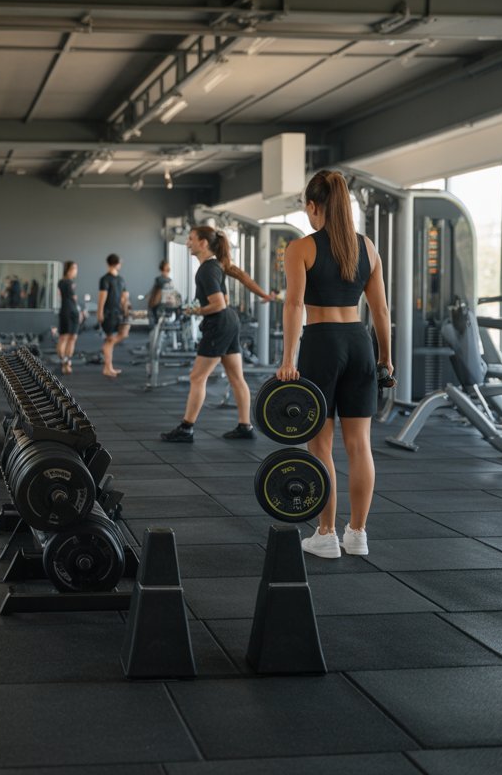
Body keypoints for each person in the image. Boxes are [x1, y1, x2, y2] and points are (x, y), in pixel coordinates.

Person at [279, 170, 392, 559]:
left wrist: (287, 360)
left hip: (321, 344)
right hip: (360, 344)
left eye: (306, 208)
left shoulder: (301, 248)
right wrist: (385, 358)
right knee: (360, 445)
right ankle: (357, 534)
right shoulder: (367, 248)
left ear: (313, 206)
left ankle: (326, 534)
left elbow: (294, 305)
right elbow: (380, 310)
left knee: (320, 445)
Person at [161, 226, 272, 442]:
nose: (187, 243)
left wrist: (196, 311)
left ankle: (186, 428)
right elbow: (226, 299)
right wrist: (264, 295)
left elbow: (219, 304)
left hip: (219, 324)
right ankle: (245, 426)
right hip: (229, 322)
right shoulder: (216, 266)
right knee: (236, 377)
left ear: (203, 243)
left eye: (191, 239)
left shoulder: (207, 270)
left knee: (197, 377)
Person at [98, 254, 130, 377]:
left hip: (118, 313)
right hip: (108, 313)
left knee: (123, 334)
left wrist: (126, 310)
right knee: (110, 339)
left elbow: (124, 297)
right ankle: (108, 368)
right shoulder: (105, 279)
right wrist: (100, 312)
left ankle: (108, 360)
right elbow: (102, 297)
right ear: (117, 263)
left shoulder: (121, 279)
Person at [56, 261, 83, 373]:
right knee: (64, 337)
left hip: (73, 311)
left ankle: (67, 362)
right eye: (74, 268)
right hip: (66, 311)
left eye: (76, 268)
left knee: (73, 337)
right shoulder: (64, 282)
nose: (76, 271)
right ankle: (64, 362)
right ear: (68, 270)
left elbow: (73, 299)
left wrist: (78, 311)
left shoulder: (70, 282)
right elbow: (70, 298)